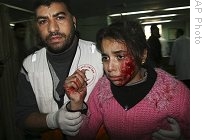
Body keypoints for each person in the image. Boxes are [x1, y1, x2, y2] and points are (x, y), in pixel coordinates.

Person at [64, 20, 190, 140]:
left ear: (142, 55)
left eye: (120, 56)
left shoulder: (171, 90)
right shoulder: (102, 89)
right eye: (105, 57)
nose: (110, 67)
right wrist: (76, 103)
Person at [15, 0, 103, 139]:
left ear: (73, 21)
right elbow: (22, 117)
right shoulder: (29, 65)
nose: (52, 29)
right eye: (43, 21)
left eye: (60, 17)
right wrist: (53, 120)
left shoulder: (101, 56)